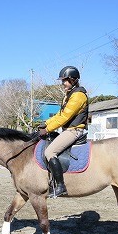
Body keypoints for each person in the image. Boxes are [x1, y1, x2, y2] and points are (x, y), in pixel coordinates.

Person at [38, 66, 89, 198]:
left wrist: (48, 129)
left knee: (50, 152)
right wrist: (45, 124)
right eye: (62, 81)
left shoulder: (78, 96)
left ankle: (61, 186)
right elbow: (59, 115)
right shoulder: (68, 95)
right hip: (68, 130)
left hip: (74, 130)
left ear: (73, 80)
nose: (62, 84)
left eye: (65, 81)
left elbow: (65, 117)